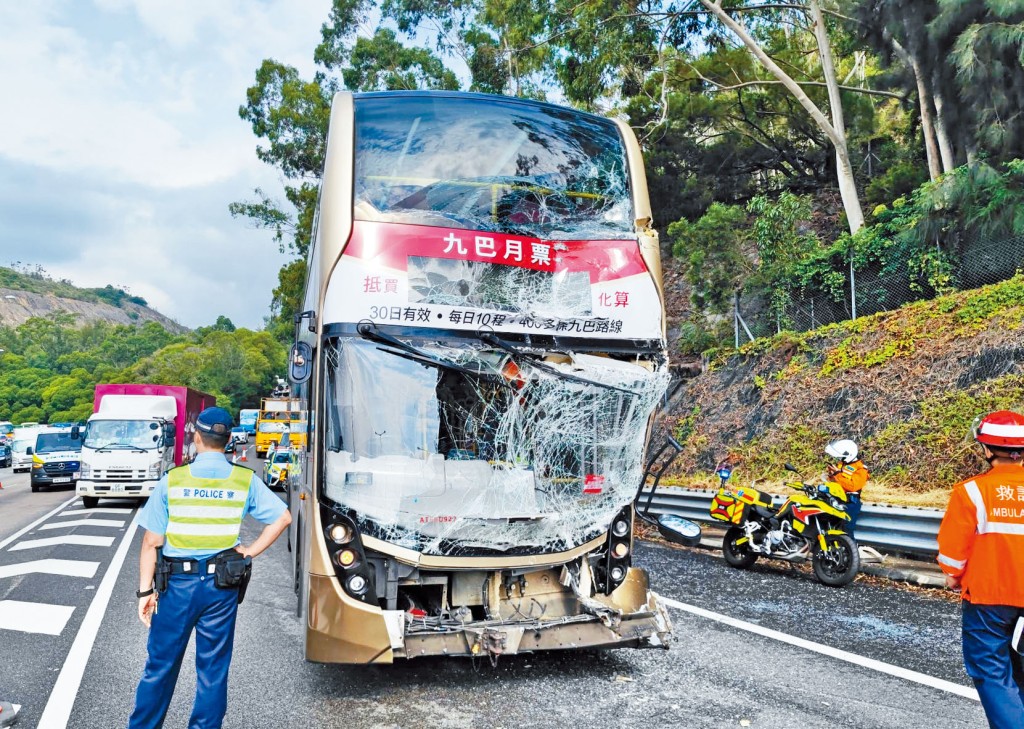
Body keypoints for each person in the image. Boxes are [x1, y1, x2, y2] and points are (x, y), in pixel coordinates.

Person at [128, 407, 292, 729]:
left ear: (197, 437)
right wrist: (249, 551)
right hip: (222, 586)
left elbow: (151, 542)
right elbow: (282, 517)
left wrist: (146, 591)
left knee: (160, 667)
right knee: (213, 670)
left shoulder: (173, 480)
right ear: (229, 440)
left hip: (177, 587)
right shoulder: (244, 479)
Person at [938, 410, 1024, 729]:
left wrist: (952, 576)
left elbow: (953, 553)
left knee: (991, 671)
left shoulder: (971, 492)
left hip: (988, 600)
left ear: (987, 450)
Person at [824, 438, 869, 536]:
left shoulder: (861, 469)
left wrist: (837, 474)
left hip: (850, 502)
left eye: (841, 457)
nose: (840, 459)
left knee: (846, 530)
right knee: (827, 525)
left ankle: (850, 550)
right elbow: (838, 481)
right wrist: (832, 475)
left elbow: (853, 486)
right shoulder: (842, 464)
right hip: (836, 498)